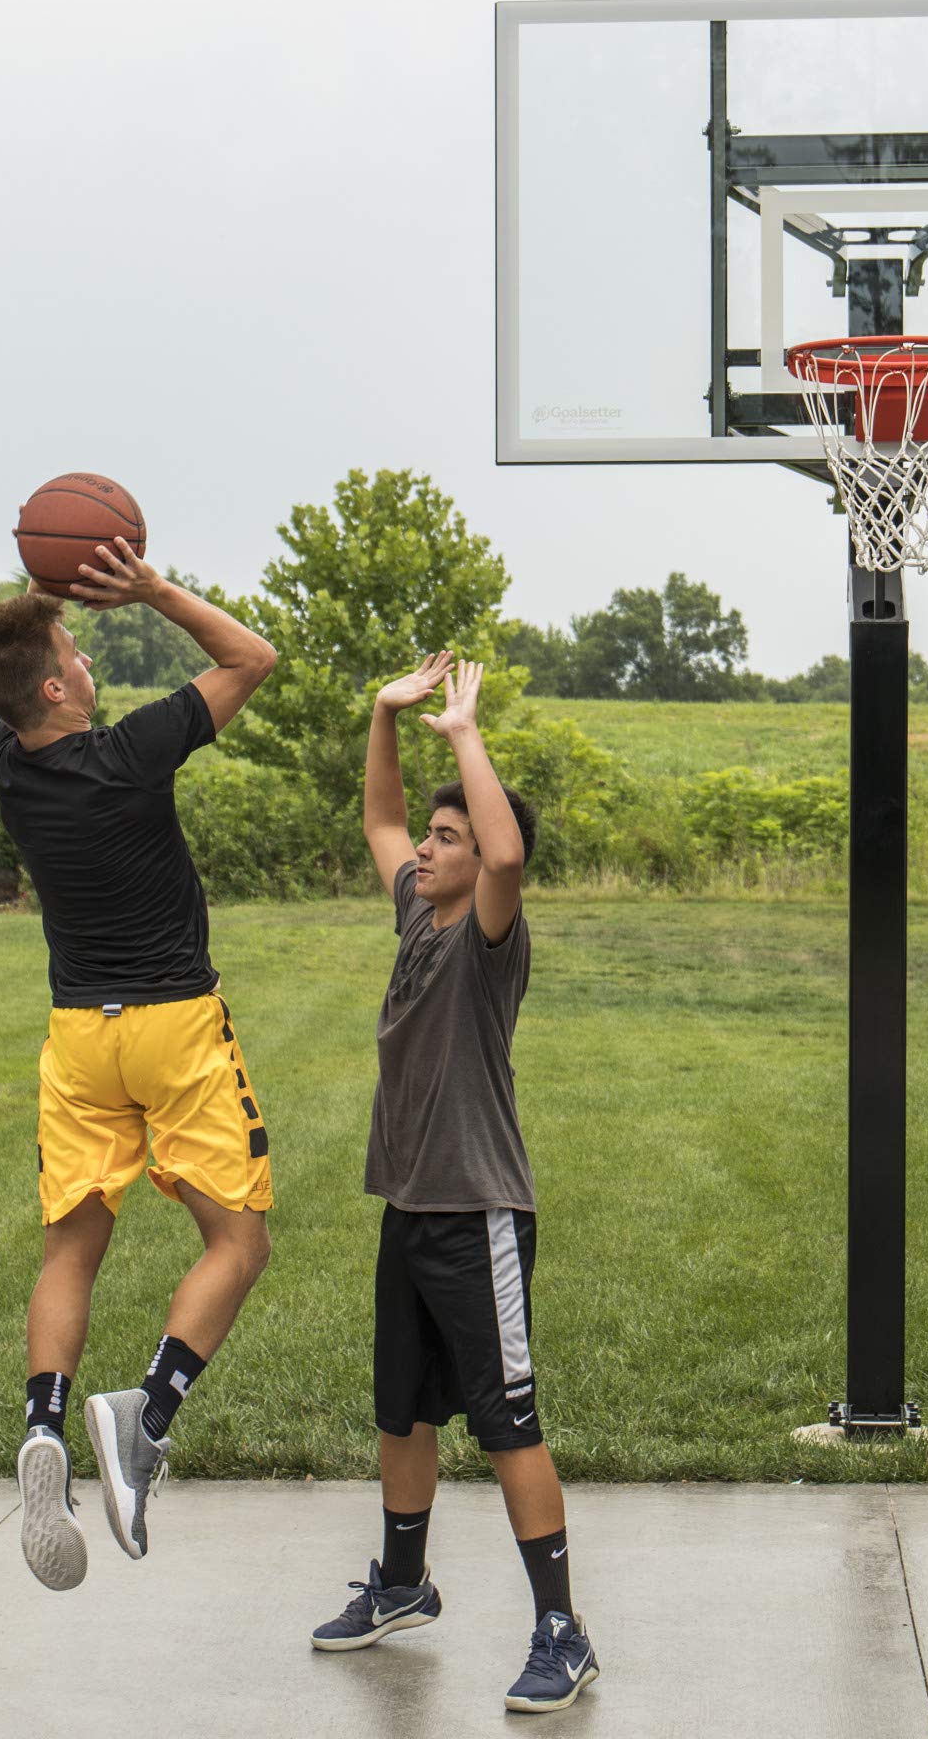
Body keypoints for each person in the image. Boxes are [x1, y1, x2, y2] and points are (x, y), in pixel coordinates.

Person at [0, 539, 277, 1592]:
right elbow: (249, 656)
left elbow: (5, 664)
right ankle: (146, 1414)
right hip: (173, 1025)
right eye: (76, 650)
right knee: (236, 1240)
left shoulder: (10, 763)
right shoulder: (134, 751)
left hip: (77, 1038)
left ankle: (45, 1421)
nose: (89, 658)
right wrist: (148, 586)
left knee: (69, 1250)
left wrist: (48, 590)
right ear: (55, 684)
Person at [310, 652, 601, 1715]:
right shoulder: (416, 912)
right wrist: (382, 714)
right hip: (410, 1210)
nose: (423, 848)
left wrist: (463, 733)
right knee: (401, 1413)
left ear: (474, 861)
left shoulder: (487, 934)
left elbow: (509, 849)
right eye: (430, 838)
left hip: (479, 1213)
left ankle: (560, 1631)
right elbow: (378, 820)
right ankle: (399, 1582)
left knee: (507, 1422)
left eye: (446, 838)